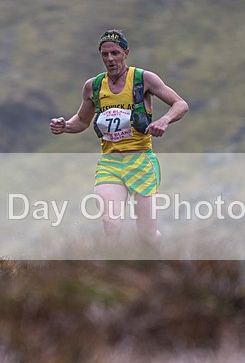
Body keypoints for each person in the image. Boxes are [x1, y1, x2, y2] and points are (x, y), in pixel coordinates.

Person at [50, 29, 188, 248]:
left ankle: (158, 263)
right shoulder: (93, 86)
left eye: (115, 53)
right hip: (110, 162)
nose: (110, 59)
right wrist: (64, 126)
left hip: (141, 162)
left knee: (146, 235)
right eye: (105, 54)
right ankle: (115, 274)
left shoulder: (144, 79)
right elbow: (82, 121)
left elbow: (180, 104)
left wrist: (164, 120)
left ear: (126, 53)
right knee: (110, 223)